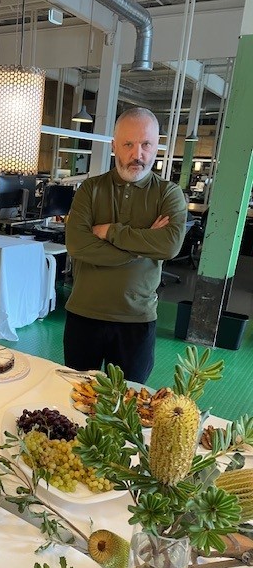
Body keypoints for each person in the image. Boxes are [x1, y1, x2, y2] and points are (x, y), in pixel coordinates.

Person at [63, 107, 187, 384]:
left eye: (146, 144)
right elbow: (77, 245)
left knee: (129, 400)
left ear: (157, 147)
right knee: (76, 395)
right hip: (84, 315)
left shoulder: (168, 194)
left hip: (136, 320)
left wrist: (110, 231)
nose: (137, 154)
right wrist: (143, 244)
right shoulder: (90, 190)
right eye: (128, 144)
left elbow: (169, 246)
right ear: (114, 146)